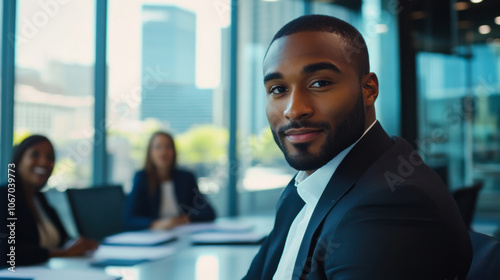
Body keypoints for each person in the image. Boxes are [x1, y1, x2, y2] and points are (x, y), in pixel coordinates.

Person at [243, 15, 472, 280]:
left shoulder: (390, 203)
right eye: (278, 89)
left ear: (368, 89)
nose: (294, 110)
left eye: (319, 83)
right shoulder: (304, 188)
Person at [0, 135, 98, 267]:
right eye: (35, 155)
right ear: (18, 162)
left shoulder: (39, 198)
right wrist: (63, 253)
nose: (44, 162)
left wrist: (79, 245)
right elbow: (6, 252)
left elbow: (64, 240)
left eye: (50, 157)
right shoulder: (4, 196)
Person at [124, 131, 216, 230]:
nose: (163, 152)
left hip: (183, 232)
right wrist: (155, 224)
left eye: (168, 147)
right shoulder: (142, 178)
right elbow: (129, 219)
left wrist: (182, 220)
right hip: (154, 236)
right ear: (150, 152)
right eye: (158, 147)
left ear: (174, 152)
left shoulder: (186, 178)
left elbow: (209, 212)